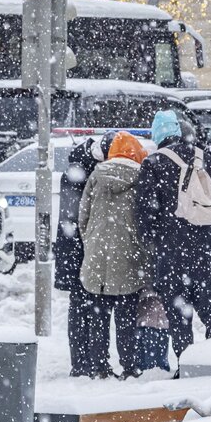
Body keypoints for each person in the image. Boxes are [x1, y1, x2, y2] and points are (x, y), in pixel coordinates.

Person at [135, 110, 211, 371]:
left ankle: (187, 368)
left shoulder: (153, 164)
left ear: (157, 135)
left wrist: (162, 235)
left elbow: (144, 223)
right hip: (209, 254)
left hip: (172, 258)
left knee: (180, 321)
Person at [77, 132, 153, 379]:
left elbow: (83, 217)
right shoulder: (141, 177)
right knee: (126, 317)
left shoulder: (95, 176)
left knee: (98, 315)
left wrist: (91, 242)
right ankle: (130, 367)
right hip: (128, 255)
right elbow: (144, 219)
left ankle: (99, 366)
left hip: (97, 255)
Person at [54, 132, 116, 377]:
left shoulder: (76, 167)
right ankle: (93, 362)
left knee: (80, 307)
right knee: (93, 305)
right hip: (85, 250)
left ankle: (82, 361)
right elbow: (81, 217)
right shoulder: (86, 173)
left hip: (75, 250)